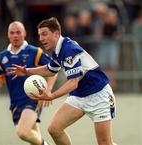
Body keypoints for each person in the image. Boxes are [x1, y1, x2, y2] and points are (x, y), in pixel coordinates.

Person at [7, 17, 117, 145]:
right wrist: (27, 71)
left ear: (56, 34)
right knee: (54, 129)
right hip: (79, 96)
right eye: (39, 35)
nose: (41, 38)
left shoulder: (68, 49)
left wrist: (52, 95)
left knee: (105, 143)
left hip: (99, 96)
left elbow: (73, 82)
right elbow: (50, 69)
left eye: (44, 34)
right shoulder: (58, 50)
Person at [0, 21, 56, 145]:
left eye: (18, 32)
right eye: (12, 33)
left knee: (22, 132)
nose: (15, 35)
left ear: (24, 33)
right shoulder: (3, 57)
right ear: (8, 35)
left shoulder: (34, 52)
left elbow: (53, 70)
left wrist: (48, 90)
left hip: (32, 99)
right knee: (33, 137)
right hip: (15, 103)